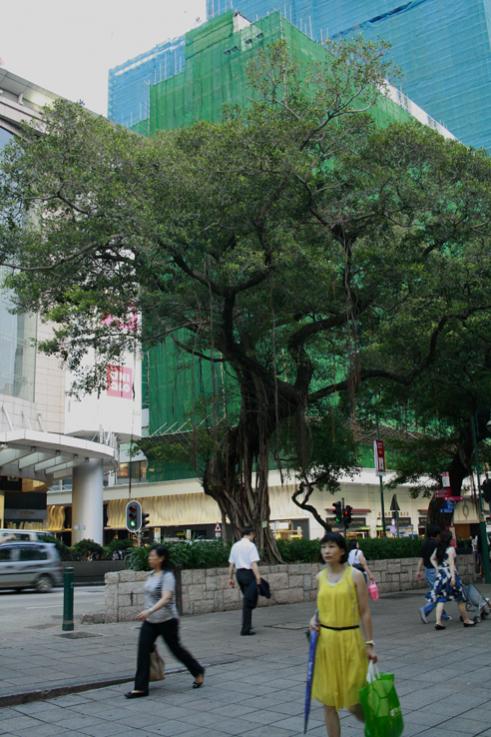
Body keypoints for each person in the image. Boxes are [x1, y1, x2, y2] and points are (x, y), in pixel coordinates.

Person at [310, 532, 378, 737]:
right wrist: (314, 620)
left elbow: (365, 611)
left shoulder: (355, 576)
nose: (327, 551)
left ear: (341, 550)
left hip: (350, 640)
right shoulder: (319, 578)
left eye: (331, 546)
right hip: (326, 643)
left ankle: (375, 723)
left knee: (353, 702)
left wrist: (370, 643)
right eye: (324, 547)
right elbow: (320, 608)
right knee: (328, 702)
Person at [125, 545, 204, 698]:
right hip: (150, 621)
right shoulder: (151, 575)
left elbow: (166, 597)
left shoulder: (167, 576)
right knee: (143, 650)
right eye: (149, 556)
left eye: (152, 556)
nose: (149, 558)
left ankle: (197, 671)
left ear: (161, 558)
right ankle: (140, 688)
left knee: (176, 650)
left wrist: (149, 610)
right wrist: (147, 612)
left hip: (167, 620)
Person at [429, 531, 477, 630]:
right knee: (460, 598)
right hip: (450, 575)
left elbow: (432, 558)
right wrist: (453, 578)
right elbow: (451, 564)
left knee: (441, 598)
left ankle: (438, 622)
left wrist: (438, 568)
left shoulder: (438, 548)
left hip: (441, 575)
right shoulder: (451, 549)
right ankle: (466, 620)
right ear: (449, 539)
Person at [228, 527, 261, 636]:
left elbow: (231, 564)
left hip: (239, 575)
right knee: (250, 601)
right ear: (250, 534)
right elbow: (253, 564)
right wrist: (258, 578)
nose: (254, 537)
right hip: (248, 574)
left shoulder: (235, 545)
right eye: (254, 535)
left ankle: (247, 623)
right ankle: (245, 629)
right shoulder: (251, 546)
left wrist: (230, 578)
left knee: (248, 599)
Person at [416, 524, 450, 624]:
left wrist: (418, 571)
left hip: (427, 570)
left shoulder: (424, 543)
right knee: (438, 594)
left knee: (436, 593)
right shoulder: (437, 544)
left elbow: (421, 559)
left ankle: (443, 615)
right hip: (435, 571)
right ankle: (425, 610)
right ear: (437, 534)